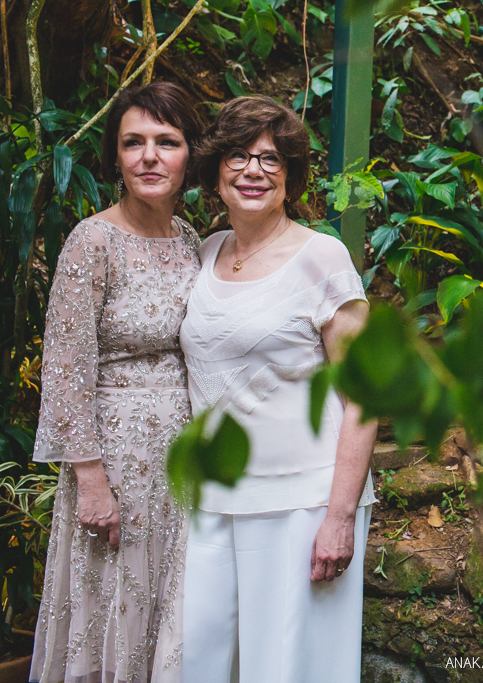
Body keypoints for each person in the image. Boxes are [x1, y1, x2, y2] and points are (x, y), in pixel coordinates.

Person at [179, 96, 377, 683]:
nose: (253, 170)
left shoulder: (323, 258)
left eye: (270, 158)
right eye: (238, 156)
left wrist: (339, 516)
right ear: (216, 172)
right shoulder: (208, 251)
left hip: (303, 504)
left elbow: (364, 400)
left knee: (289, 669)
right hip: (211, 500)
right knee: (203, 661)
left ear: (290, 177)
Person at [30, 82, 204, 683]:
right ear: (116, 157)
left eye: (167, 141)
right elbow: (64, 368)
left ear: (190, 155)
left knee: (171, 605)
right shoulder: (92, 241)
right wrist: (90, 479)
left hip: (182, 457)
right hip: (113, 459)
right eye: (134, 142)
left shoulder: (189, 242)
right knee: (113, 601)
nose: (149, 156)